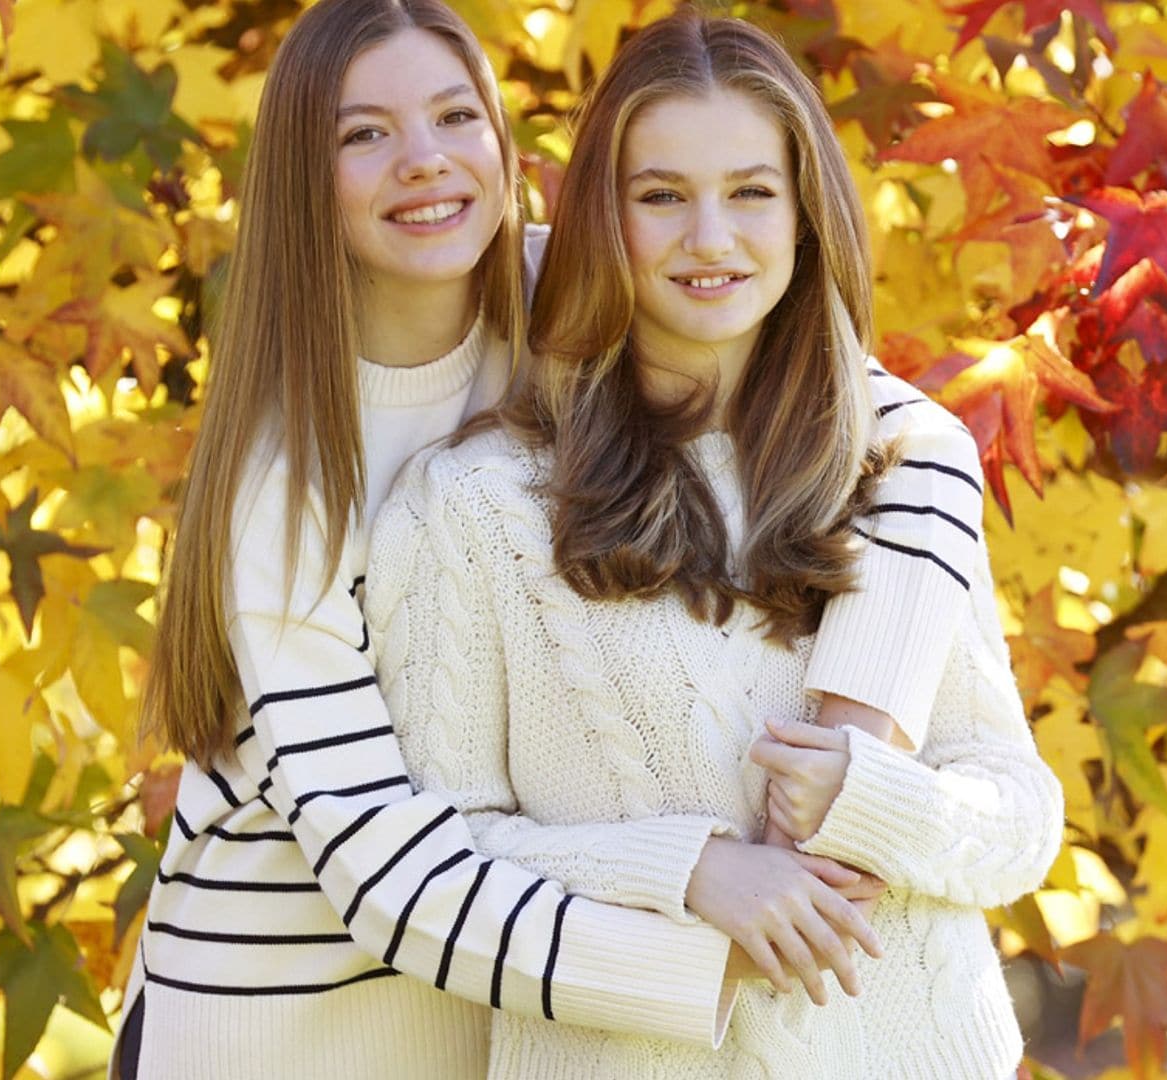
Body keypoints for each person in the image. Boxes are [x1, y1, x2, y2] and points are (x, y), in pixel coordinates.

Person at [113, 2, 885, 1076]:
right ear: (304, 178)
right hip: (282, 1024)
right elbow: (382, 872)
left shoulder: (570, 303)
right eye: (363, 134)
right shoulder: (289, 486)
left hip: (503, 1021)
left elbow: (877, 417)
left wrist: (865, 713)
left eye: (453, 116)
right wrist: (708, 922)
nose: (424, 163)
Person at [365, 11, 1064, 1078]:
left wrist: (875, 800)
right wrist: (695, 872)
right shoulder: (474, 509)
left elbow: (1017, 816)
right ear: (603, 217)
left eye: (750, 192)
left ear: (803, 215)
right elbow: (441, 868)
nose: (711, 239)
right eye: (661, 197)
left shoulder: (895, 475)